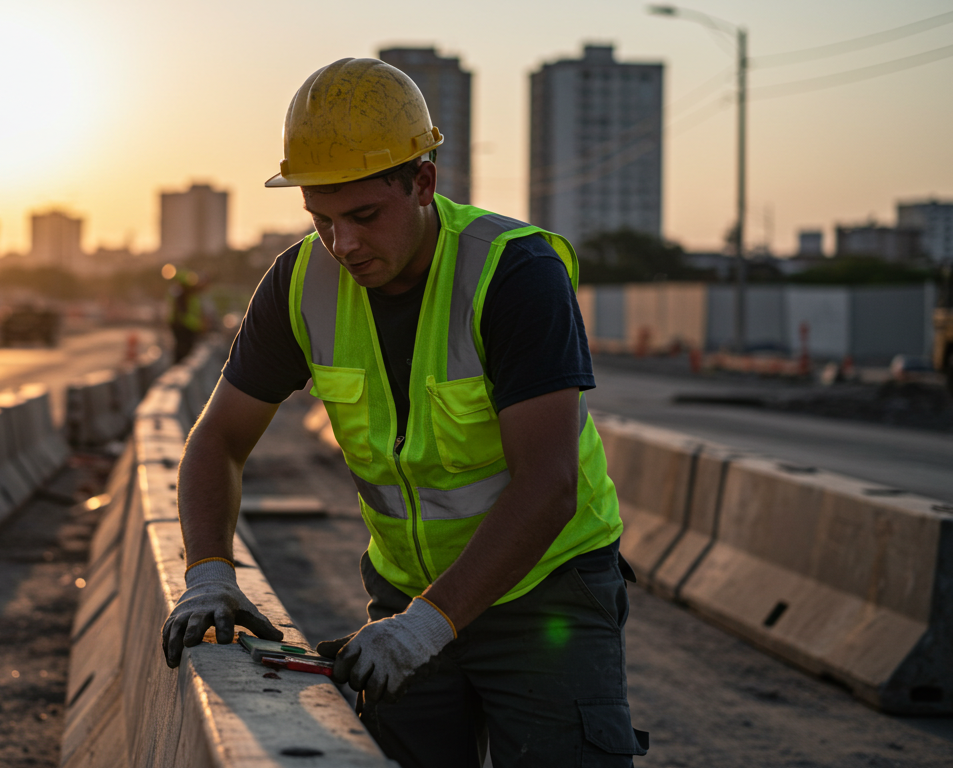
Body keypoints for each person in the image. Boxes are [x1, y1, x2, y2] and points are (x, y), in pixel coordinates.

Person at [159, 58, 648, 767]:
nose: (344, 244)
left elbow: (548, 487)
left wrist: (427, 628)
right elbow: (218, 442)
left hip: (545, 592)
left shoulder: (514, 273)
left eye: (364, 216)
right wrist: (208, 573)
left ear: (423, 182)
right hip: (406, 595)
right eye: (321, 220)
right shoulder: (300, 282)